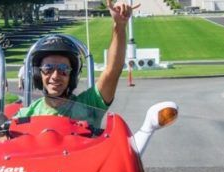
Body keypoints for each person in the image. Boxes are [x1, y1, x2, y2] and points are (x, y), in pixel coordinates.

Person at [10, 0, 139, 129]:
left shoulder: (89, 105)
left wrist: (119, 25)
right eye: (48, 68)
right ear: (38, 74)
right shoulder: (26, 115)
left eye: (63, 69)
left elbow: (113, 70)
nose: (55, 76)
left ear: (72, 75)